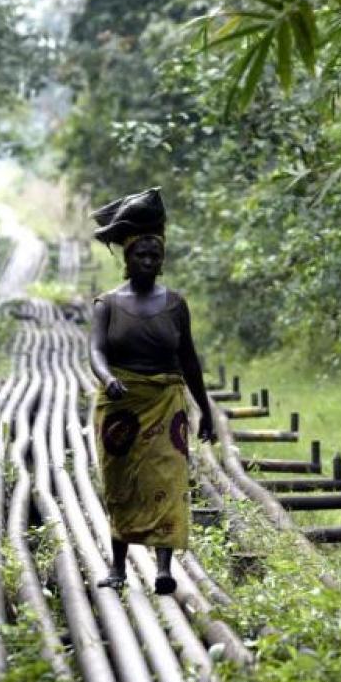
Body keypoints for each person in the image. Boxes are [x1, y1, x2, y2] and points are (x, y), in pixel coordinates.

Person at [87, 186, 214, 595]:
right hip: (121, 404)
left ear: (161, 261)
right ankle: (119, 567)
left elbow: (190, 361)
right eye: (140, 255)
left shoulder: (176, 305)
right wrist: (108, 379)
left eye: (154, 256)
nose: (147, 261)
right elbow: (95, 352)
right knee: (121, 482)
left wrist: (206, 410)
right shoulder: (106, 304)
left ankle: (163, 569)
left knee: (168, 478)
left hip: (166, 403)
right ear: (127, 259)